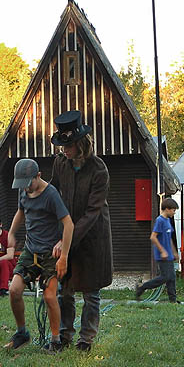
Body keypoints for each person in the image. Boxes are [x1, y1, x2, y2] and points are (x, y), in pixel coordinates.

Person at [48, 110, 113, 352]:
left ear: (80, 143)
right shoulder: (60, 163)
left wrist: (67, 240)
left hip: (92, 237)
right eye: (62, 145)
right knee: (64, 290)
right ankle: (65, 335)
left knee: (90, 293)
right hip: (65, 234)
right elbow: (53, 193)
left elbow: (92, 212)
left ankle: (86, 339)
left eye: (68, 145)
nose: (64, 149)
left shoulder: (98, 169)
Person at [0, 158, 73, 352]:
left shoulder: (51, 195)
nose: (25, 188)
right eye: (22, 184)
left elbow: (68, 224)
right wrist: (12, 233)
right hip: (31, 250)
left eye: (28, 183)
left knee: (49, 296)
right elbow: (21, 211)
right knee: (14, 290)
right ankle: (22, 333)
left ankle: (55, 341)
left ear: (38, 176)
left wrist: (64, 256)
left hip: (50, 254)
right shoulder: (24, 190)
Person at [135, 198, 180, 303]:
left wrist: (174, 252)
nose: (174, 212)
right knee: (165, 277)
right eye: (173, 210)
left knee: (172, 277)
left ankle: (173, 301)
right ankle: (142, 287)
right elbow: (153, 237)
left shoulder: (167, 220)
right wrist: (162, 251)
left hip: (169, 254)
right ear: (167, 209)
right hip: (162, 255)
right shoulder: (160, 220)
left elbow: (169, 238)